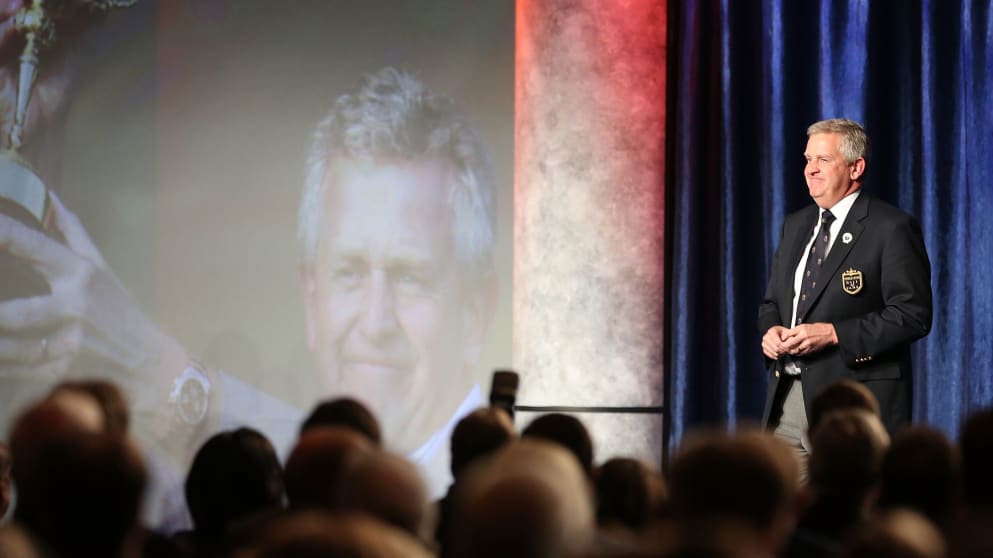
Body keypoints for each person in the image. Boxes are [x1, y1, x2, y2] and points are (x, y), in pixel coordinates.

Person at [758, 118, 932, 463]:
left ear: (856, 167)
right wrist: (769, 331)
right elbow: (772, 302)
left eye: (823, 160)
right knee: (784, 513)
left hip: (853, 406)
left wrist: (835, 333)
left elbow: (913, 315)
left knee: (850, 515)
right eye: (808, 160)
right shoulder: (795, 226)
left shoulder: (891, 227)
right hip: (788, 399)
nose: (811, 170)